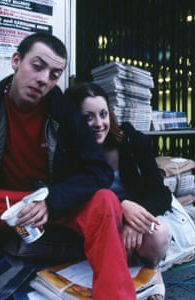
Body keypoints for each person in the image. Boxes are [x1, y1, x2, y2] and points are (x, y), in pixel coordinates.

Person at [0, 33, 136, 299]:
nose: (44, 79)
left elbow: (98, 170)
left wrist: (52, 202)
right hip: (4, 203)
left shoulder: (64, 110)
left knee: (106, 200)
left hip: (51, 202)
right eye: (37, 66)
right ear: (16, 60)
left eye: (54, 74)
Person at [65, 81, 172, 300]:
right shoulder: (69, 152)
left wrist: (134, 218)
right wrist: (121, 210)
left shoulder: (133, 142)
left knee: (158, 234)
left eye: (103, 114)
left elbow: (162, 195)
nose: (98, 123)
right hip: (99, 224)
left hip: (135, 220)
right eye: (88, 117)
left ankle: (152, 270)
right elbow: (71, 197)